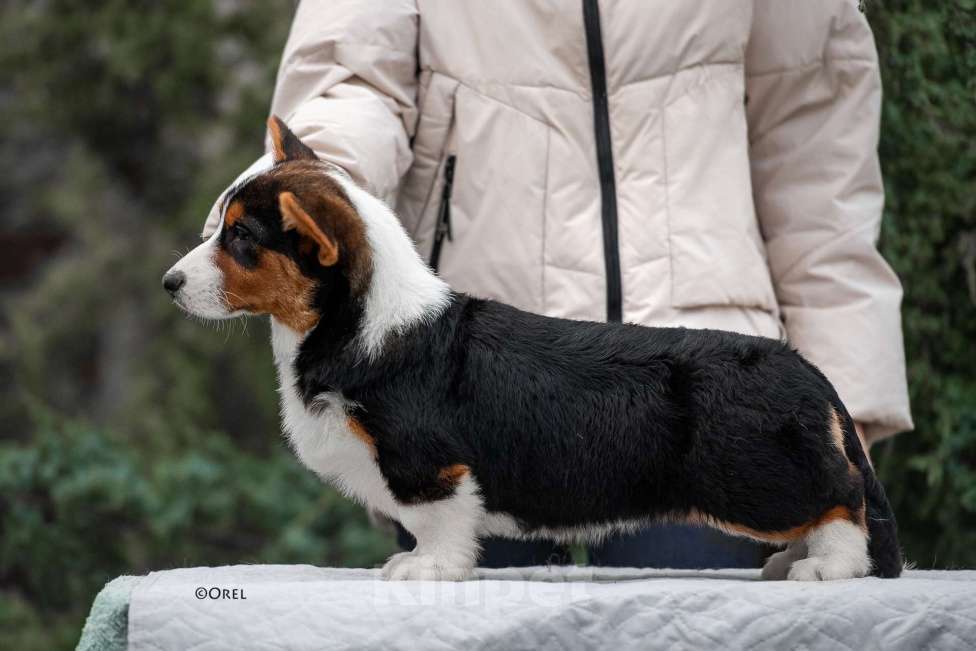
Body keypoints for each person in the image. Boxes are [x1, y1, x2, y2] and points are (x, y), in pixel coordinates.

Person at [204, 0, 913, 569]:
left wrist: (844, 400)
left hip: (698, 388)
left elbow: (815, 159)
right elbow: (351, 78)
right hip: (460, 383)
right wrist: (318, 189)